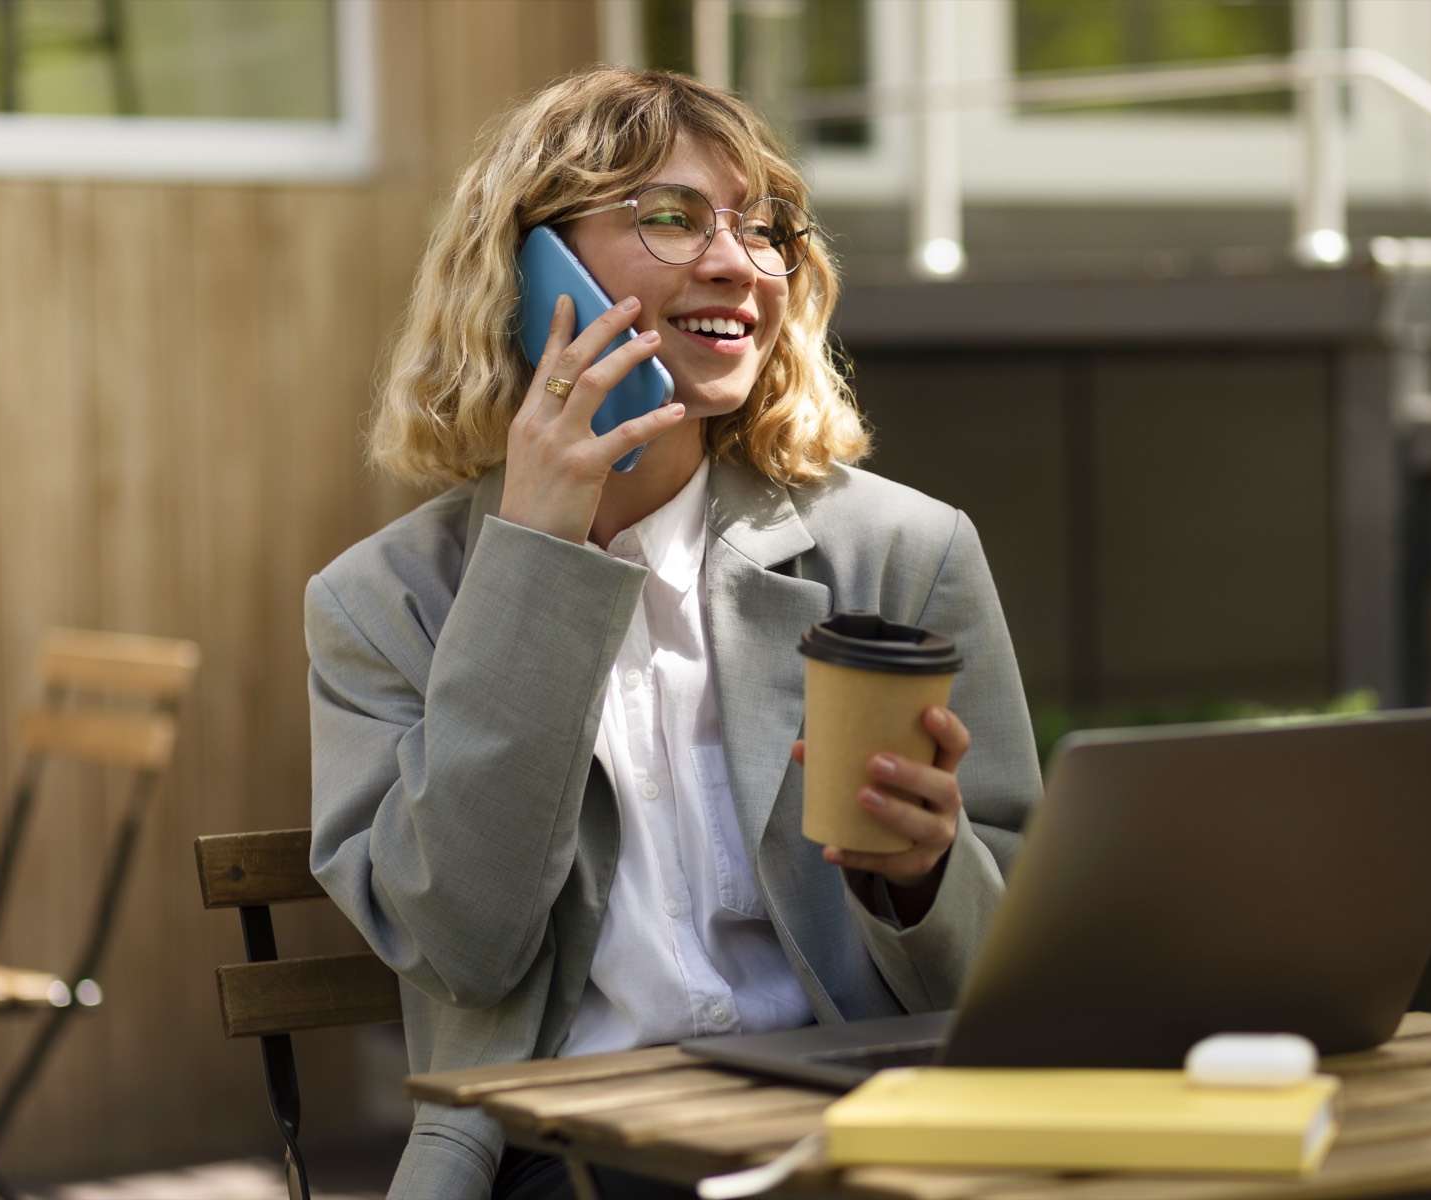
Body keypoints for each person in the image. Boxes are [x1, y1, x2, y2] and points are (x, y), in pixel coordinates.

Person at [305, 66, 1040, 1200]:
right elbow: (464, 936)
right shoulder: (382, 604)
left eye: (763, 229)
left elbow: (1024, 958)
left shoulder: (903, 553)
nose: (737, 263)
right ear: (527, 272)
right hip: (569, 1150)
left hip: (863, 1119)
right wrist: (539, 565)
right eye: (669, 217)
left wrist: (923, 879)